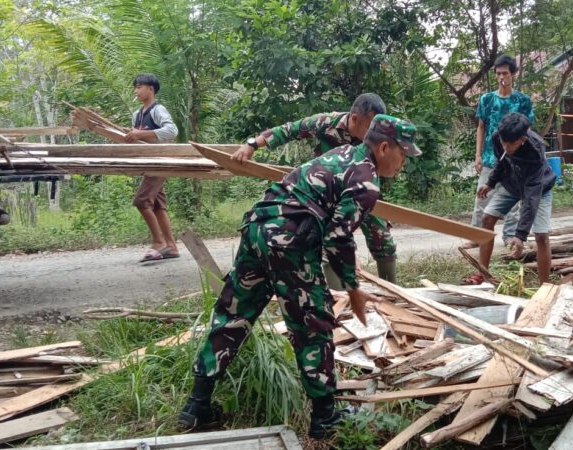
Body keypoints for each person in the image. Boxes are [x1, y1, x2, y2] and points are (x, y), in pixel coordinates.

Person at [178, 115, 421, 440]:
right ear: (384, 146)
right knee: (313, 324)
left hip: (258, 228)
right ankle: (324, 417)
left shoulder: (342, 155)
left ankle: (196, 405)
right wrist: (353, 288)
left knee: (233, 314)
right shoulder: (367, 180)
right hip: (289, 242)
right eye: (403, 154)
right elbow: (338, 236)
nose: (404, 162)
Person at [230, 93, 399, 283]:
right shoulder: (326, 123)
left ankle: (392, 292)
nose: (373, 133)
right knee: (331, 242)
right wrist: (252, 145)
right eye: (369, 127)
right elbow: (288, 130)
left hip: (361, 191)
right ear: (354, 119)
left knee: (381, 236)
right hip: (326, 196)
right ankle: (338, 297)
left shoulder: (377, 136)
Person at [466, 113, 555, 286]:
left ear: (522, 139)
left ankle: (545, 286)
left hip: (538, 188)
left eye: (511, 143)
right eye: (503, 142)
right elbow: (502, 161)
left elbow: (531, 197)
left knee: (541, 236)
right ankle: (483, 274)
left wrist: (520, 235)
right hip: (512, 183)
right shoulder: (498, 137)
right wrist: (491, 182)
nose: (506, 146)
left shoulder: (535, 151)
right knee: (487, 219)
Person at [463, 54, 535, 250]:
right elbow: (481, 127)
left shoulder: (522, 101)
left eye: (505, 73)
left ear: (513, 75)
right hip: (490, 157)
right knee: (482, 196)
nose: (501, 77)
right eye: (498, 73)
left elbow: (527, 130)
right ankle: (476, 235)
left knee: (512, 199)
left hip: (514, 159)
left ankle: (510, 236)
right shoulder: (486, 99)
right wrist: (478, 155)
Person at [124, 74, 180, 262]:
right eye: (135, 87)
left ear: (151, 89)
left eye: (140, 86)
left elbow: (172, 131)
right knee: (157, 205)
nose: (136, 90)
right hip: (148, 162)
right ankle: (171, 246)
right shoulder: (137, 115)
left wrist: (141, 133)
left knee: (141, 201)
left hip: (160, 161)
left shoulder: (158, 109)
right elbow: (139, 139)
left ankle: (158, 242)